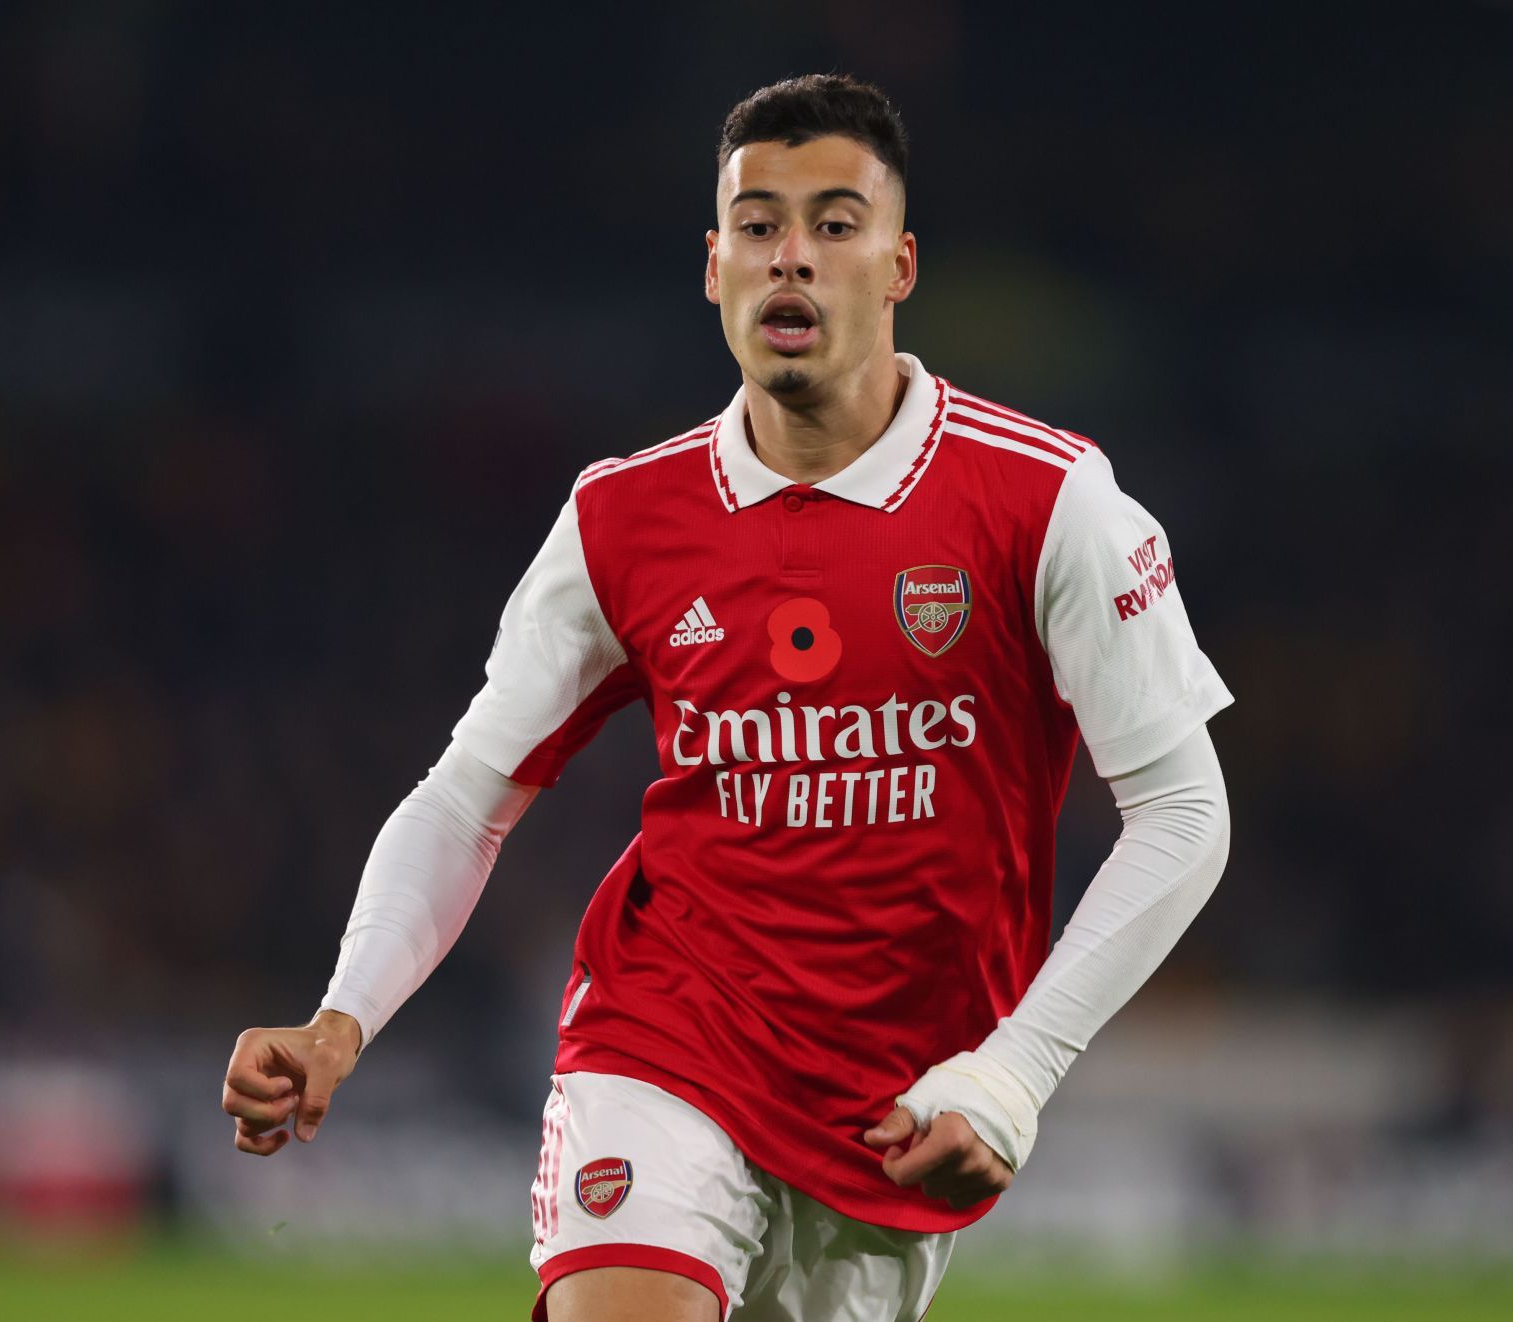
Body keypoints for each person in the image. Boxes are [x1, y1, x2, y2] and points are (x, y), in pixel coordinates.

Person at [221, 73, 1233, 1322]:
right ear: (714, 268)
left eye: (834, 223)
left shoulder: (1049, 501)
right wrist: (339, 1020)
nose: (790, 257)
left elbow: (1185, 808)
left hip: (896, 1108)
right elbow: (468, 797)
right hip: (668, 1039)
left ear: (900, 265)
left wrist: (1015, 1070)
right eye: (757, 226)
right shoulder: (623, 519)